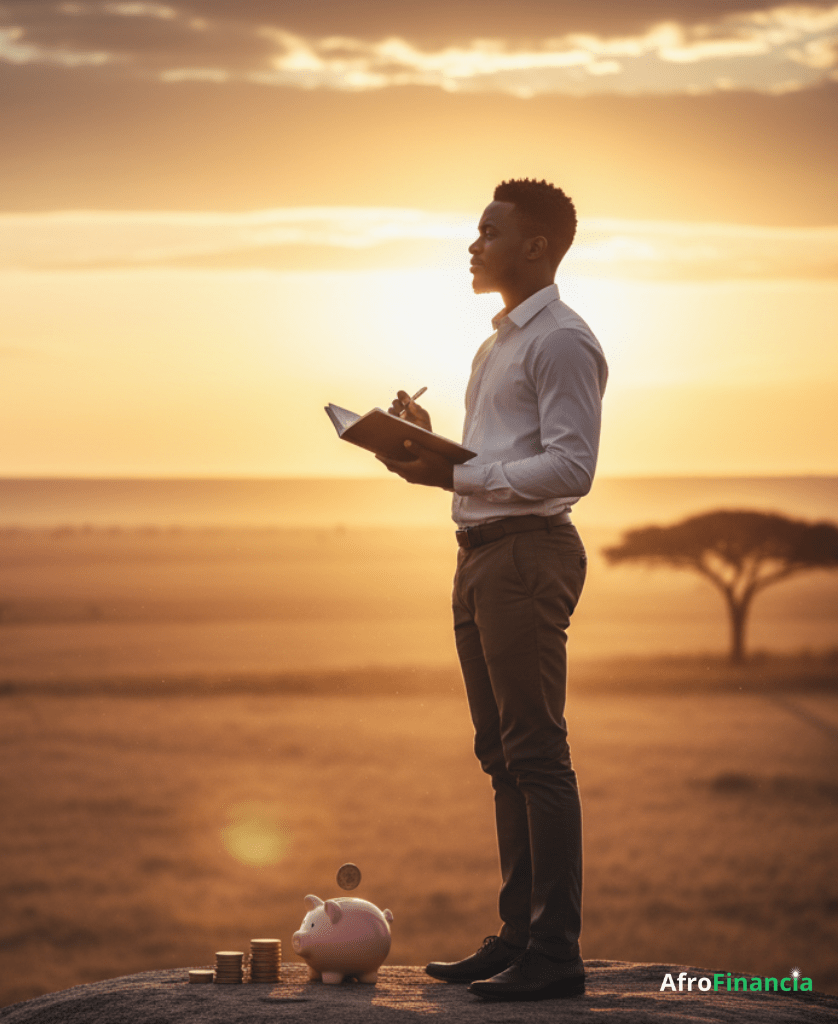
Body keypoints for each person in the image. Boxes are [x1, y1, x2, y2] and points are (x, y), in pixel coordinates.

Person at [376, 178, 608, 1002]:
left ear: (536, 246)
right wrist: (429, 449)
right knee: (502, 756)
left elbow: (571, 468)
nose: (473, 246)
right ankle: (517, 937)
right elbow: (496, 466)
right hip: (479, 557)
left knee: (537, 755)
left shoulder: (562, 341)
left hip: (526, 557)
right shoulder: (497, 345)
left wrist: (462, 474)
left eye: (488, 232)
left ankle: (555, 953)